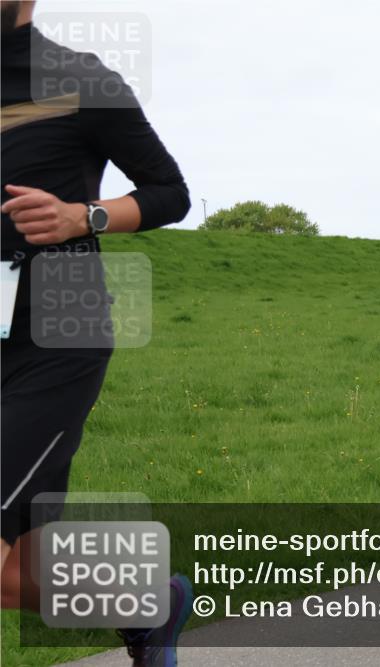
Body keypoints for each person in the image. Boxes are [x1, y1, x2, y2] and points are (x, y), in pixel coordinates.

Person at [1, 3, 193, 664]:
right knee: (13, 578)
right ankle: (152, 602)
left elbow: (170, 191)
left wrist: (82, 216)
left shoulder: (80, 79)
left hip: (55, 342)